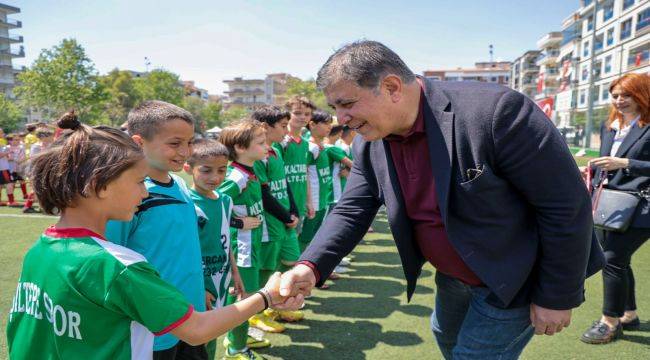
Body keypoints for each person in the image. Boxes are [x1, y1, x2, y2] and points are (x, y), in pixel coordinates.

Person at [279, 40, 605, 359]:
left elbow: (564, 205)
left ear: (392, 87)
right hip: (452, 279)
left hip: (512, 279)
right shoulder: (370, 140)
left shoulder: (497, 112)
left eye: (347, 104)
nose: (341, 119)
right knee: (447, 341)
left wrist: (557, 295)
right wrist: (311, 265)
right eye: (335, 108)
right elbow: (352, 209)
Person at [6, 111, 303, 360]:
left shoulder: (41, 250)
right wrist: (267, 296)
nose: (146, 191)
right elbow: (197, 329)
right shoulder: (116, 267)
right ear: (99, 185)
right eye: (137, 182)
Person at [105, 100, 208, 359]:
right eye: (175, 143)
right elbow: (112, 261)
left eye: (189, 142)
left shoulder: (182, 186)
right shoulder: (131, 196)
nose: (185, 151)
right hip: (152, 324)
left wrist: (201, 289)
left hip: (191, 316)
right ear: (139, 142)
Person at [581, 73, 650, 344]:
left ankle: (609, 322)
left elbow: (623, 164)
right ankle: (629, 315)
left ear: (641, 94)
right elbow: (604, 164)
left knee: (611, 259)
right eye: (615, 95)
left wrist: (625, 163)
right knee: (618, 261)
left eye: (626, 94)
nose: (619, 100)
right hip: (609, 204)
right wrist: (590, 171)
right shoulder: (608, 125)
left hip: (642, 205)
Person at [184, 138, 247, 359]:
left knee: (213, 335)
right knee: (197, 339)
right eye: (206, 170)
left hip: (222, 278)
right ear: (188, 168)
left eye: (222, 170)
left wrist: (235, 272)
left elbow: (225, 240)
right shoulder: (186, 203)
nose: (215, 178)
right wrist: (198, 286)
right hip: (200, 283)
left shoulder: (225, 200)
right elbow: (186, 250)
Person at [217, 119, 270, 360]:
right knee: (243, 297)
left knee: (247, 294)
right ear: (240, 147)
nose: (266, 146)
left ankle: (238, 336)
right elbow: (211, 206)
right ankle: (235, 347)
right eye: (260, 142)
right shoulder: (236, 177)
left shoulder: (251, 170)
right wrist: (238, 223)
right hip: (242, 248)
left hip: (253, 242)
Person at [251, 106, 305, 324]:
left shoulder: (277, 151)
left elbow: (285, 183)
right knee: (265, 270)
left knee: (291, 260)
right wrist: (285, 216)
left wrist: (293, 210)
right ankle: (256, 314)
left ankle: (276, 304)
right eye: (283, 126)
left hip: (284, 220)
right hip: (269, 223)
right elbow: (264, 194)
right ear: (265, 127)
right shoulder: (256, 156)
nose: (286, 130)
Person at [22, 127, 55, 213]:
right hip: (37, 171)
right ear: (44, 137)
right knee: (37, 189)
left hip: (46, 170)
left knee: (45, 188)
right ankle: (27, 207)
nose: (53, 137)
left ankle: (44, 207)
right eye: (51, 136)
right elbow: (34, 159)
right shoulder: (36, 146)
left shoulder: (50, 145)